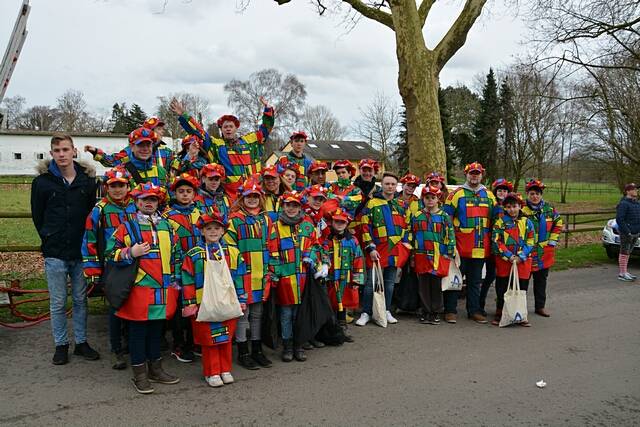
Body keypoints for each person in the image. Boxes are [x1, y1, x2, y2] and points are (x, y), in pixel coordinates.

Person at [106, 182, 181, 394]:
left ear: (159, 202)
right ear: (136, 202)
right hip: (139, 288)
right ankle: (139, 374)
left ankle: (155, 370)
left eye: (153, 199)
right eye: (144, 199)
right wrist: (130, 252)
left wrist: (175, 282)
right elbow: (110, 254)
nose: (149, 203)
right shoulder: (127, 226)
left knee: (156, 331)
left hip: (163, 288)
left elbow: (176, 255)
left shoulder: (167, 226)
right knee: (138, 332)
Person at [31, 133, 100, 365]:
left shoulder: (87, 181)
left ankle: (81, 342)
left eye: (65, 150)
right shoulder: (42, 183)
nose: (62, 154)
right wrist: (49, 236)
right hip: (55, 251)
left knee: (81, 299)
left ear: (74, 152)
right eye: (57, 150)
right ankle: (61, 344)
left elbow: (92, 214)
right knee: (58, 301)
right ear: (52, 154)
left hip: (80, 250)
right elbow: (38, 216)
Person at [181, 212, 247, 387]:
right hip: (203, 303)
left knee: (225, 337)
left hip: (228, 301)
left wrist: (241, 297)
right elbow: (187, 278)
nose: (213, 231)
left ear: (223, 230)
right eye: (208, 228)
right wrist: (189, 302)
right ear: (201, 231)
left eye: (217, 228)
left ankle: (225, 369)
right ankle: (211, 372)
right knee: (209, 339)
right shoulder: (194, 254)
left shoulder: (232, 252)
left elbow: (239, 276)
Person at [82, 166, 137, 370]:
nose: (118, 190)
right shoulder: (100, 210)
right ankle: (116, 350)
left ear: (128, 186)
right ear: (106, 187)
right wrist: (92, 269)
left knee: (134, 305)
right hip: (112, 266)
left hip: (134, 264)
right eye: (113, 186)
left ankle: (132, 344)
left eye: (121, 186)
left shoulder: (136, 206)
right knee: (115, 308)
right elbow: (89, 240)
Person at [171, 96, 274, 198]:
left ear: (236, 128)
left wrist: (268, 109)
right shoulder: (216, 145)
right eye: (225, 127)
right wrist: (183, 115)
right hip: (228, 196)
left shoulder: (250, 141)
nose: (228, 129)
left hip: (252, 194)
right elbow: (198, 131)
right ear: (221, 130)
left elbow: (265, 129)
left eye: (231, 126)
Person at [225, 175, 273, 370]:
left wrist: (272, 269)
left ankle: (257, 349)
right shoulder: (234, 220)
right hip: (243, 275)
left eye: (255, 196)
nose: (252, 199)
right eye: (248, 196)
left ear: (260, 198)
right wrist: (238, 269)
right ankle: (243, 351)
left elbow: (273, 245)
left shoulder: (266, 220)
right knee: (243, 314)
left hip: (261, 275)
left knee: (257, 313)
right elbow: (230, 249)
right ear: (241, 198)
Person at [267, 191, 319, 362]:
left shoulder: (307, 226)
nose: (291, 208)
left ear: (300, 207)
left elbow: (315, 245)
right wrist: (277, 273)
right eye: (288, 205)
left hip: (303, 277)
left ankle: (298, 345)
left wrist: (310, 256)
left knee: (300, 314)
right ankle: (288, 346)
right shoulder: (275, 227)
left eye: (295, 205)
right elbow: (272, 252)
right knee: (286, 314)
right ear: (283, 206)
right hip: (285, 279)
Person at [443, 162, 496, 324]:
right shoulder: (456, 194)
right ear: (466, 174)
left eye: (477, 173)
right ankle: (450, 311)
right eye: (472, 173)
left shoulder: (489, 195)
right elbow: (446, 219)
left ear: (482, 175)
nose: (474, 176)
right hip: (460, 247)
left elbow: (496, 221)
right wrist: (449, 244)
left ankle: (474, 310)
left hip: (480, 247)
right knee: (455, 280)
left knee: (475, 282)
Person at [356, 172, 410, 326]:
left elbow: (407, 227)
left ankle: (386, 310)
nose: (390, 186)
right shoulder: (372, 203)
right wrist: (370, 248)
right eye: (387, 184)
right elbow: (365, 227)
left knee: (389, 283)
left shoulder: (401, 205)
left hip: (394, 251)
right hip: (376, 250)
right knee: (370, 284)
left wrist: (405, 246)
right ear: (382, 185)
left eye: (393, 184)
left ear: (396, 186)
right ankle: (366, 312)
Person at [163, 172, 204, 363]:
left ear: (195, 193)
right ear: (175, 193)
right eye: (181, 191)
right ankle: (179, 345)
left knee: (196, 308)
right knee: (180, 310)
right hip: (178, 270)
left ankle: (195, 341)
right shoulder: (167, 216)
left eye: (189, 191)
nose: (185, 195)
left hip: (198, 270)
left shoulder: (201, 214)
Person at [314, 208, 365, 341]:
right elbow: (321, 255)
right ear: (332, 222)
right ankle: (330, 331)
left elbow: (358, 259)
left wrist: (357, 279)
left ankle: (342, 329)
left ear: (347, 223)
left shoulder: (352, 240)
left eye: (342, 222)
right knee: (330, 304)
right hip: (330, 278)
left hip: (345, 278)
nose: (339, 224)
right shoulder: (326, 240)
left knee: (343, 303)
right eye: (337, 222)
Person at [409, 185, 455, 325]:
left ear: (438, 199)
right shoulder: (416, 216)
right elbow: (411, 235)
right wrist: (411, 253)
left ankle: (436, 311)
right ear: (423, 199)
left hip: (438, 255)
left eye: (433, 198)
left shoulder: (444, 216)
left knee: (436, 285)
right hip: (421, 255)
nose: (430, 200)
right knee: (423, 285)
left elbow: (450, 235)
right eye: (427, 198)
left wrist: (450, 252)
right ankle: (425, 310)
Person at [491, 193, 535, 326]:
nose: (512, 210)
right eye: (508, 207)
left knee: (521, 288)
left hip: (523, 262)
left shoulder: (527, 222)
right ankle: (500, 313)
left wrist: (521, 256)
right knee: (502, 288)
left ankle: (521, 314)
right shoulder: (500, 222)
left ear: (520, 206)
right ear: (504, 208)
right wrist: (509, 256)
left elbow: (531, 240)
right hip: (505, 261)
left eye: (514, 206)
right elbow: (496, 241)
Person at [521, 179, 563, 317]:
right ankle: (520, 308)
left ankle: (540, 306)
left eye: (538, 193)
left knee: (541, 282)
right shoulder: (521, 210)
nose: (535, 196)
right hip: (526, 253)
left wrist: (552, 241)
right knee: (523, 281)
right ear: (527, 194)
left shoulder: (549, 209)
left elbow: (558, 223)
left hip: (544, 253)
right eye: (532, 193)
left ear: (541, 194)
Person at [84, 116, 173, 173]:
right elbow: (112, 161)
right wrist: (96, 152)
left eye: (162, 129)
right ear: (149, 132)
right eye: (159, 129)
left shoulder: (167, 152)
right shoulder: (131, 150)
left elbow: (179, 166)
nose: (162, 132)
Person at [480, 178, 514, 315]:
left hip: (509, 248)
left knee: (505, 278)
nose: (502, 193)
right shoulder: (492, 206)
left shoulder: (512, 207)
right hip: (493, 247)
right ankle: (480, 304)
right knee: (490, 276)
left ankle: (505, 307)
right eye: (499, 190)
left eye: (504, 190)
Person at [615, 183, 640, 281]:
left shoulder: (637, 203)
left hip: (636, 232)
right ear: (628, 191)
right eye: (634, 189)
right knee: (624, 251)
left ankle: (625, 271)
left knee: (628, 252)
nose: (636, 191)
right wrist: (627, 232)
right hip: (627, 233)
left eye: (636, 189)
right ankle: (622, 274)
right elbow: (619, 219)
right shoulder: (624, 204)